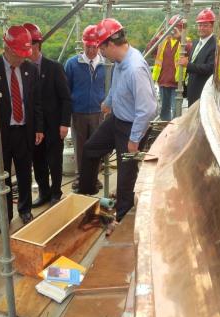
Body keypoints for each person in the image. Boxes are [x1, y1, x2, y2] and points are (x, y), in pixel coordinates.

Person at [78, 18, 157, 222]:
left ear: (110, 44)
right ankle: (85, 194)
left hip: (133, 127)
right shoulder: (121, 62)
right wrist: (108, 102)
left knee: (125, 178)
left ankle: (122, 219)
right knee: (89, 149)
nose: (102, 54)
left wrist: (134, 139)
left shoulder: (135, 68)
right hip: (117, 120)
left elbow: (148, 109)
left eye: (102, 49)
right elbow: (116, 85)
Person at [0, 25, 43, 225]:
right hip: (0, 133)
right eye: (18, 55)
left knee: (24, 173)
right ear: (6, 49)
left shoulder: (30, 68)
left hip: (24, 130)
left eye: (25, 55)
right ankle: (4, 216)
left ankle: (25, 210)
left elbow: (36, 101)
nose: (22, 59)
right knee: (1, 176)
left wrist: (39, 127)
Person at [23, 23, 72, 207]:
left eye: (32, 44)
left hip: (53, 125)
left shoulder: (54, 68)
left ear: (38, 45)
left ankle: (56, 192)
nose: (29, 49)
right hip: (34, 126)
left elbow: (66, 98)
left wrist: (64, 123)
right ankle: (44, 192)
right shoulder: (23, 69)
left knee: (54, 161)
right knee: (38, 162)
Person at [64, 25, 105, 190]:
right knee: (80, 146)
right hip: (78, 112)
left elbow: (111, 87)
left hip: (98, 112)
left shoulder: (106, 64)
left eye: (94, 46)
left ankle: (94, 178)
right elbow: (66, 90)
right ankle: (81, 177)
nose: (91, 50)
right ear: (83, 44)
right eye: (88, 46)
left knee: (96, 146)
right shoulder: (72, 64)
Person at [152, 15, 191, 120]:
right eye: (172, 28)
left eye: (177, 28)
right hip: (163, 81)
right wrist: (157, 38)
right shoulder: (163, 41)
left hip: (176, 83)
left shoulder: (185, 41)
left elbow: (189, 49)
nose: (174, 31)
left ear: (182, 29)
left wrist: (179, 37)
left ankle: (175, 130)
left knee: (176, 110)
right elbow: (150, 50)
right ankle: (164, 130)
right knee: (164, 109)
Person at [178, 9, 216, 107]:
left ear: (212, 26)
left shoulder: (215, 45)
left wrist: (188, 65)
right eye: (199, 25)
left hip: (203, 93)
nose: (201, 28)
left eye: (205, 25)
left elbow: (210, 68)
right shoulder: (196, 43)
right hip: (192, 91)